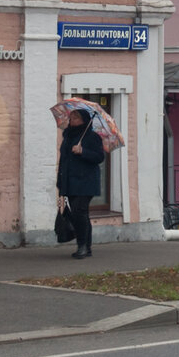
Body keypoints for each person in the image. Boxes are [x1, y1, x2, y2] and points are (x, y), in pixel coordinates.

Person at [57, 108, 105, 259]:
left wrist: (83, 151)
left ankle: (82, 246)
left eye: (76, 118)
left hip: (86, 181)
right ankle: (86, 247)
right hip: (69, 181)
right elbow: (63, 160)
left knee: (79, 211)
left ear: (84, 121)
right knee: (79, 214)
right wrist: (60, 181)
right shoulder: (68, 137)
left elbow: (99, 157)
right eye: (71, 118)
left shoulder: (92, 137)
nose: (72, 121)